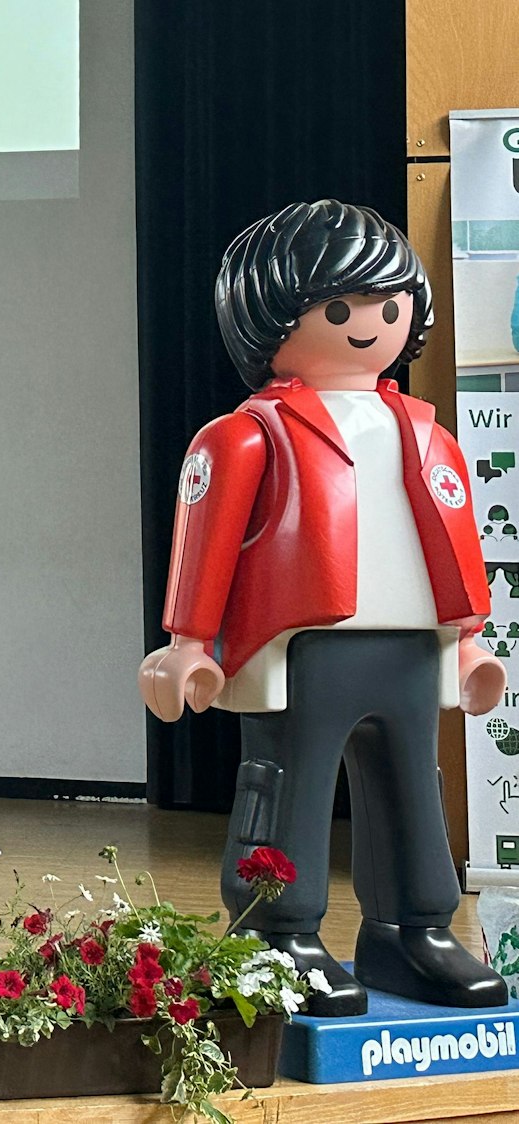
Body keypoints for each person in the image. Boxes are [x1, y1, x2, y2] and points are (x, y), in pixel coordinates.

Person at [141, 200, 508, 1015]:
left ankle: (413, 930)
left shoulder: (422, 431)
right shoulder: (244, 437)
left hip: (410, 645)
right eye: (337, 308)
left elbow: (451, 535)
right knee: (289, 786)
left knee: (410, 783)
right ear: (268, 318)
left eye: (384, 305)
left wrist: (468, 641)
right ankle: (278, 938)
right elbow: (203, 541)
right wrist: (187, 641)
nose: (365, 324)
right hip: (300, 643)